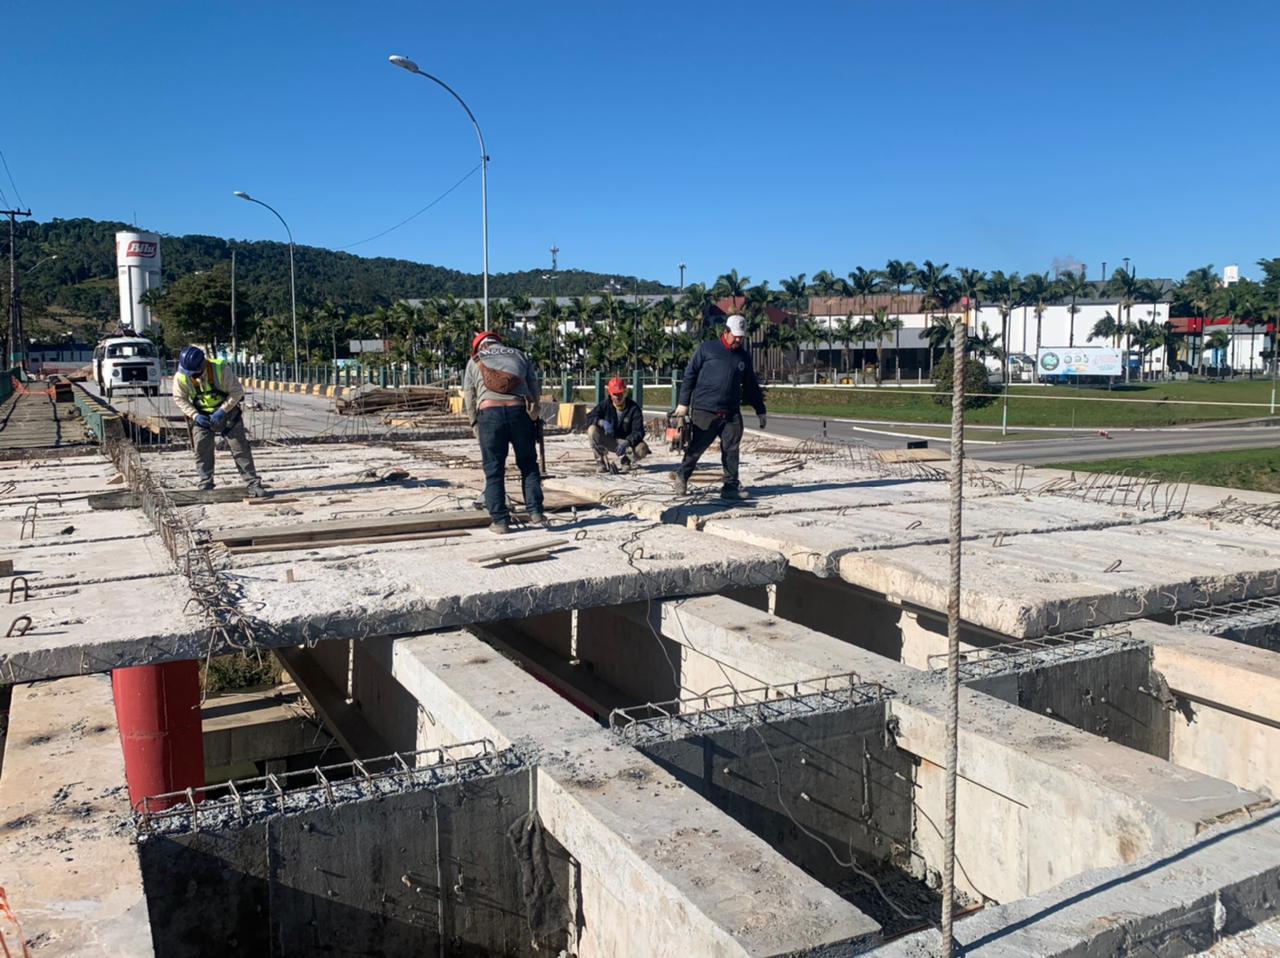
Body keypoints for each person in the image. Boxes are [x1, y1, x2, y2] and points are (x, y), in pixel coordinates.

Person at [672, 314, 767, 499]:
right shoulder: (707, 349)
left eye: (741, 337)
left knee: (731, 450)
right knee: (696, 448)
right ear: (726, 331)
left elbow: (751, 385)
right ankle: (682, 476)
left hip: (731, 412)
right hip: (705, 410)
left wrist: (760, 410)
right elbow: (690, 375)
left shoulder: (743, 357)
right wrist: (683, 403)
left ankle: (730, 487)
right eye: (735, 336)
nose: (738, 340)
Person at [463, 331, 546, 533]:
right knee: (528, 464)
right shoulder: (519, 354)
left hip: (490, 415)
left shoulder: (474, 360)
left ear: (480, 346)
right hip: (519, 412)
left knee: (494, 469)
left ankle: (500, 521)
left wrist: (474, 422)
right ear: (498, 342)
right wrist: (533, 415)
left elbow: (469, 395)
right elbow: (534, 387)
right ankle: (535, 512)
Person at [172, 345, 265, 496]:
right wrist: (195, 415)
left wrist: (222, 410)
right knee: (202, 448)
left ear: (202, 366)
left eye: (194, 373)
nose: (191, 376)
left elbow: (237, 391)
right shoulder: (181, 376)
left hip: (227, 414)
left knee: (239, 448)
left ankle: (252, 483)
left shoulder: (220, 369)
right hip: (202, 415)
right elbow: (179, 398)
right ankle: (205, 483)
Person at [586, 376, 650, 473]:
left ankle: (626, 460)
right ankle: (600, 462)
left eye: (620, 393)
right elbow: (589, 418)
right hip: (610, 440)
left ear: (625, 392)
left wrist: (627, 441)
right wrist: (600, 422)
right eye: (615, 394)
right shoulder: (605, 405)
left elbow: (639, 431)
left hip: (626, 443)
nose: (618, 397)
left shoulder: (634, 408)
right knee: (592, 430)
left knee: (642, 448)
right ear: (610, 394)